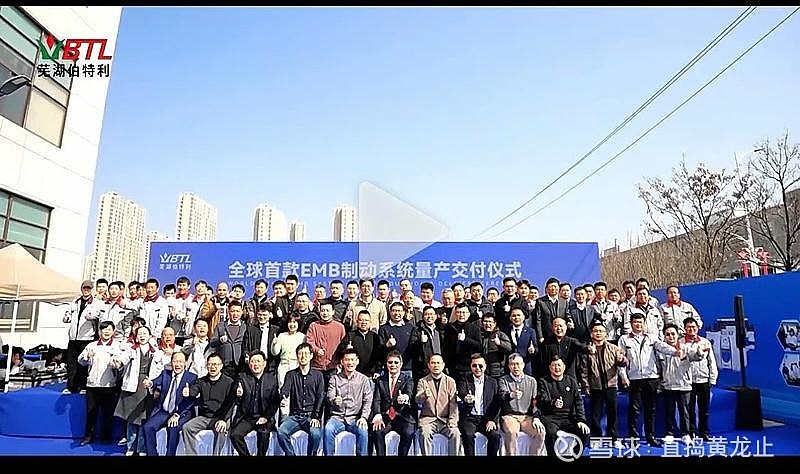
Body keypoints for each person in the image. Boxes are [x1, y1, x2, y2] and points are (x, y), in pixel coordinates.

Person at [581, 320, 627, 449]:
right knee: (595, 415)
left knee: (613, 413)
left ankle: (615, 439)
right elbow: (584, 371)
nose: (598, 333)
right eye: (595, 331)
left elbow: (624, 363)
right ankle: (596, 438)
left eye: (601, 331)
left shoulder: (613, 348)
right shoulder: (587, 350)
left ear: (606, 334)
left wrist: (622, 359)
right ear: (591, 334)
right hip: (595, 387)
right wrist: (586, 386)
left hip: (611, 386)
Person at [180, 352, 237, 456]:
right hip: (205, 417)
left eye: (215, 364)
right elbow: (194, 390)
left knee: (221, 429)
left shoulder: (229, 382)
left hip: (222, 417)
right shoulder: (202, 381)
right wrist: (188, 392)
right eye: (210, 364)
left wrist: (223, 420)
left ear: (221, 366)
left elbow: (230, 404)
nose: (212, 367)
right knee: (186, 427)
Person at [115, 325, 160, 456]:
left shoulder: (155, 351)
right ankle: (130, 447)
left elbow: (160, 368)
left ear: (150, 336)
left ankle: (141, 448)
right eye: (140, 333)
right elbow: (124, 358)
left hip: (147, 385)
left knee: (144, 418)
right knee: (131, 418)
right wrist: (119, 362)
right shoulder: (131, 349)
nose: (142, 336)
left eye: (145, 333)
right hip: (133, 386)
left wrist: (156, 386)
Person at [142, 351, 197, 456]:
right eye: (175, 361)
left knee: (173, 427)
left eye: (180, 362)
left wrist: (177, 414)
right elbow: (155, 382)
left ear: (185, 363)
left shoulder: (191, 377)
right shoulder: (165, 374)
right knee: (147, 427)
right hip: (164, 411)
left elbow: (190, 400)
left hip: (181, 412)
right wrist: (150, 383)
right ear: (171, 362)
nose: (177, 364)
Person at [78, 321, 123, 446]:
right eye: (104, 329)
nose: (106, 332)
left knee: (107, 413)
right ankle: (88, 436)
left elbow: (122, 364)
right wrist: (87, 356)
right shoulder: (91, 345)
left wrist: (117, 364)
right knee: (91, 412)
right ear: (99, 331)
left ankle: (105, 437)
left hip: (109, 385)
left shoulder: (117, 346)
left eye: (109, 329)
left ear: (113, 332)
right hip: (92, 385)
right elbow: (80, 361)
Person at [536, 355, 591, 457]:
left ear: (564, 367)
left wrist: (581, 420)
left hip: (568, 418)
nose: (557, 368)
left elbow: (578, 402)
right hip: (550, 417)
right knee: (550, 433)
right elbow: (541, 401)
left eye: (559, 365)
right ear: (550, 367)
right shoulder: (543, 382)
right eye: (554, 365)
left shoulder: (571, 381)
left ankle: (575, 456)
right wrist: (553, 403)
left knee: (584, 431)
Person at [276, 342, 325, 456]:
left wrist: (316, 417)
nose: (303, 356)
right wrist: (283, 396)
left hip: (311, 416)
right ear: (297, 356)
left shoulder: (318, 375)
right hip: (295, 416)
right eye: (300, 354)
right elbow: (285, 390)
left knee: (315, 434)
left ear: (311, 356)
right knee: (281, 432)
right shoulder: (290, 374)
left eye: (306, 354)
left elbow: (320, 397)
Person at [229, 350, 280, 456]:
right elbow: (236, 386)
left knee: (263, 433)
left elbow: (275, 401)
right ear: (249, 364)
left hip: (264, 417)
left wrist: (266, 417)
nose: (255, 364)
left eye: (258, 361)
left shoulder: (272, 379)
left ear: (264, 363)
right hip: (247, 417)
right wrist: (238, 392)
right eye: (252, 361)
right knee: (235, 435)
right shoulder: (243, 377)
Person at [323, 348, 373, 456]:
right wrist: (334, 400)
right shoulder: (334, 379)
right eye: (347, 360)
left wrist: (364, 417)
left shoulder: (364, 380)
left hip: (355, 418)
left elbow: (368, 401)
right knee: (328, 429)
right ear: (342, 362)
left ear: (357, 361)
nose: (350, 363)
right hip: (337, 417)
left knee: (363, 430)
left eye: (352, 360)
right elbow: (329, 396)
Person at [371, 350, 417, 456]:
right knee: (377, 431)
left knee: (409, 432)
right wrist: (377, 414)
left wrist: (405, 398)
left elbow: (409, 393)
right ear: (386, 364)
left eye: (396, 362)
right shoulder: (380, 380)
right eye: (390, 362)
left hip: (402, 416)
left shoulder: (408, 379)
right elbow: (377, 400)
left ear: (401, 364)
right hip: (385, 417)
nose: (393, 365)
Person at [498, 353, 545, 456]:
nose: (515, 367)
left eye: (518, 364)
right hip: (509, 415)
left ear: (523, 365)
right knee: (511, 432)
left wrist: (536, 418)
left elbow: (535, 402)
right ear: (509, 366)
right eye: (512, 364)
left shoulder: (532, 381)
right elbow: (502, 395)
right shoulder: (503, 380)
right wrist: (511, 395)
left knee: (540, 432)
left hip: (526, 416)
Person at [456, 353, 501, 456]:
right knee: (468, 435)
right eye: (474, 366)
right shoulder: (464, 379)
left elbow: (497, 403)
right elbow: (461, 392)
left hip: (486, 418)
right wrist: (466, 398)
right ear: (470, 366)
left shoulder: (493, 382)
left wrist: (492, 420)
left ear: (485, 366)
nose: (477, 368)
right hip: (469, 418)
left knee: (495, 436)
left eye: (480, 366)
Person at [416, 353, 460, 456]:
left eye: (438, 363)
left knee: (456, 433)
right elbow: (417, 400)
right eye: (433, 363)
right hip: (428, 420)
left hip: (445, 420)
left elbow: (453, 404)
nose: (436, 365)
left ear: (443, 365)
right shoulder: (422, 381)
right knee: (424, 433)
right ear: (428, 365)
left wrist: (452, 421)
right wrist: (424, 395)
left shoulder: (451, 382)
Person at [682, 317, 718, 442]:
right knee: (690, 408)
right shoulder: (680, 342)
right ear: (684, 328)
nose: (691, 329)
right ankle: (691, 432)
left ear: (697, 328)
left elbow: (711, 361)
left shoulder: (705, 342)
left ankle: (704, 432)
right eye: (688, 327)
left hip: (703, 380)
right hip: (688, 381)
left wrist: (712, 379)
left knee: (704, 409)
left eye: (693, 327)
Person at [64, 280, 103, 394]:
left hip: (87, 337)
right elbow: (68, 314)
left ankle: (83, 386)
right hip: (73, 337)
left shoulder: (97, 303)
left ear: (92, 290)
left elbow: (100, 315)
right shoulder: (75, 302)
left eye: (88, 288)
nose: (86, 290)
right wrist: (66, 318)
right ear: (81, 289)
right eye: (84, 288)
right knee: (71, 363)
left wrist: (94, 317)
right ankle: (71, 386)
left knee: (84, 362)